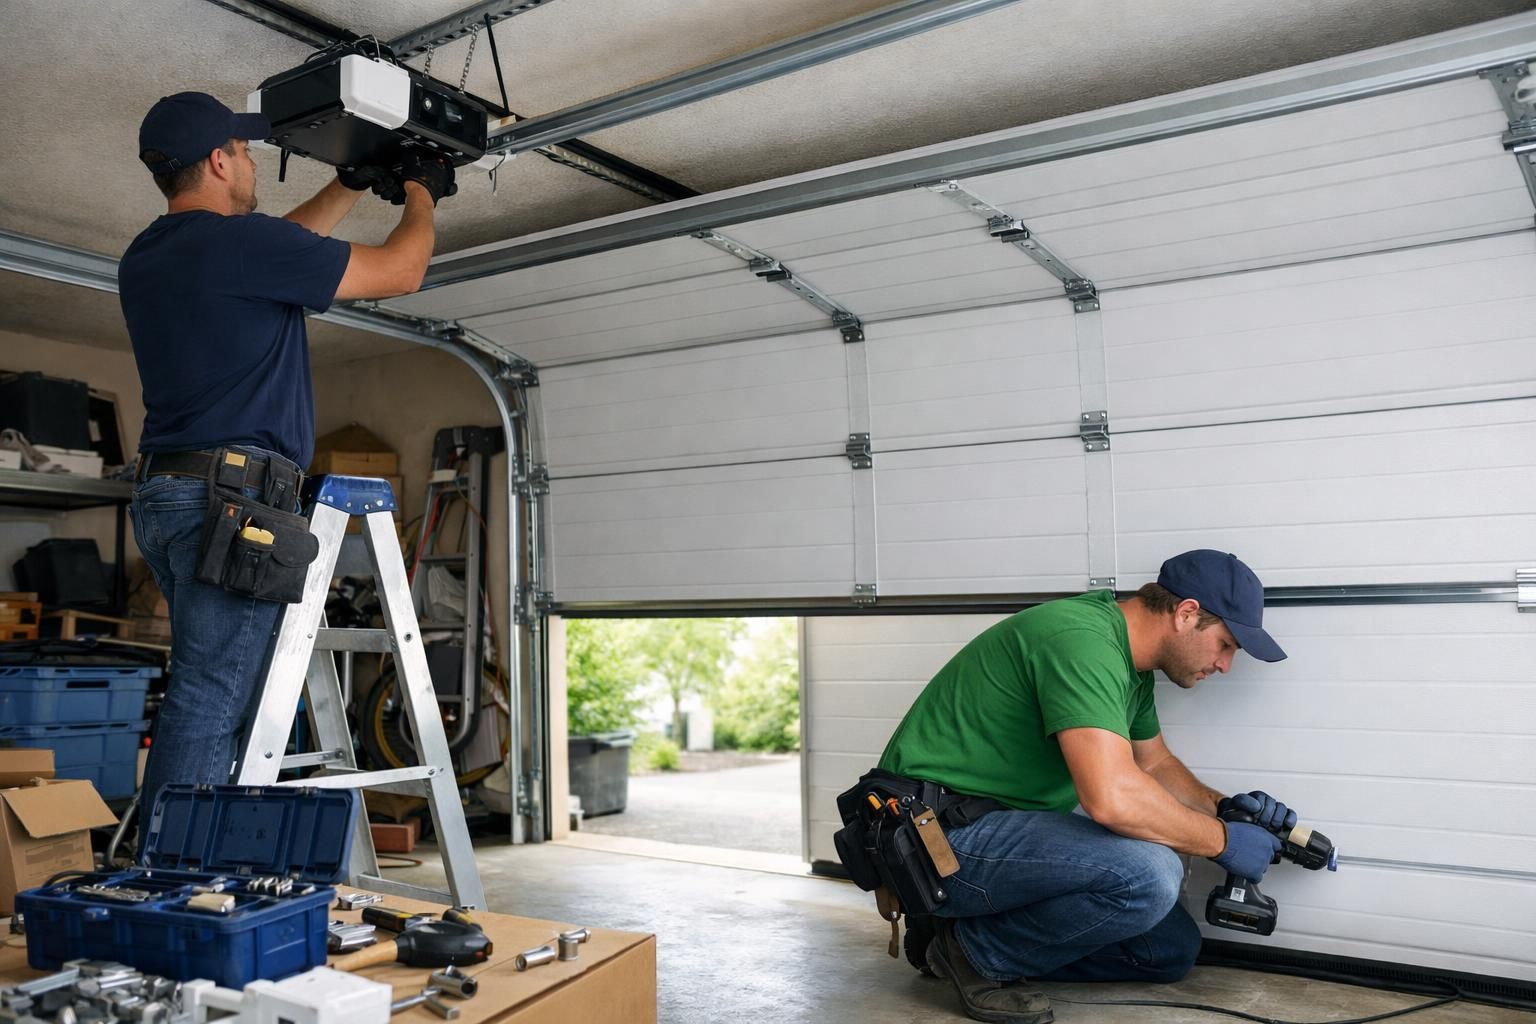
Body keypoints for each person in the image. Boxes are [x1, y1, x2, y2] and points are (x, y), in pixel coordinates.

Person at [119, 91, 455, 819]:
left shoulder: (150, 254)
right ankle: (175, 879)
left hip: (171, 494)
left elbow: (280, 250)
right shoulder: (241, 249)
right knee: (211, 696)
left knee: (207, 687)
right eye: (241, 152)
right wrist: (424, 188)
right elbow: (402, 272)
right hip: (230, 501)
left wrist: (351, 182)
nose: (249, 162)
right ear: (217, 161)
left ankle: (185, 862)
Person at [877, 550, 1293, 1024]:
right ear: (1186, 614)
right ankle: (971, 951)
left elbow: (1154, 764)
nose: (1225, 666)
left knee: (1169, 948)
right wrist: (1222, 843)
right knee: (1150, 875)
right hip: (934, 837)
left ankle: (955, 928)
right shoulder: (1081, 641)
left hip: (1001, 829)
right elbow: (1111, 799)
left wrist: (1228, 810)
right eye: (1226, 645)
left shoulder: (1132, 671)